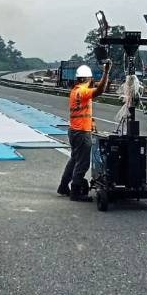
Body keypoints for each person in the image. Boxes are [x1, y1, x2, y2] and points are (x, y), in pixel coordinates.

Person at [58, 61, 112, 201]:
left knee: (74, 159)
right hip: (82, 132)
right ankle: (76, 192)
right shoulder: (83, 92)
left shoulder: (75, 90)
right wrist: (106, 72)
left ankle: (63, 186)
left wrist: (91, 120)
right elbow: (100, 91)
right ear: (87, 78)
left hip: (74, 130)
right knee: (82, 163)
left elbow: (84, 108)